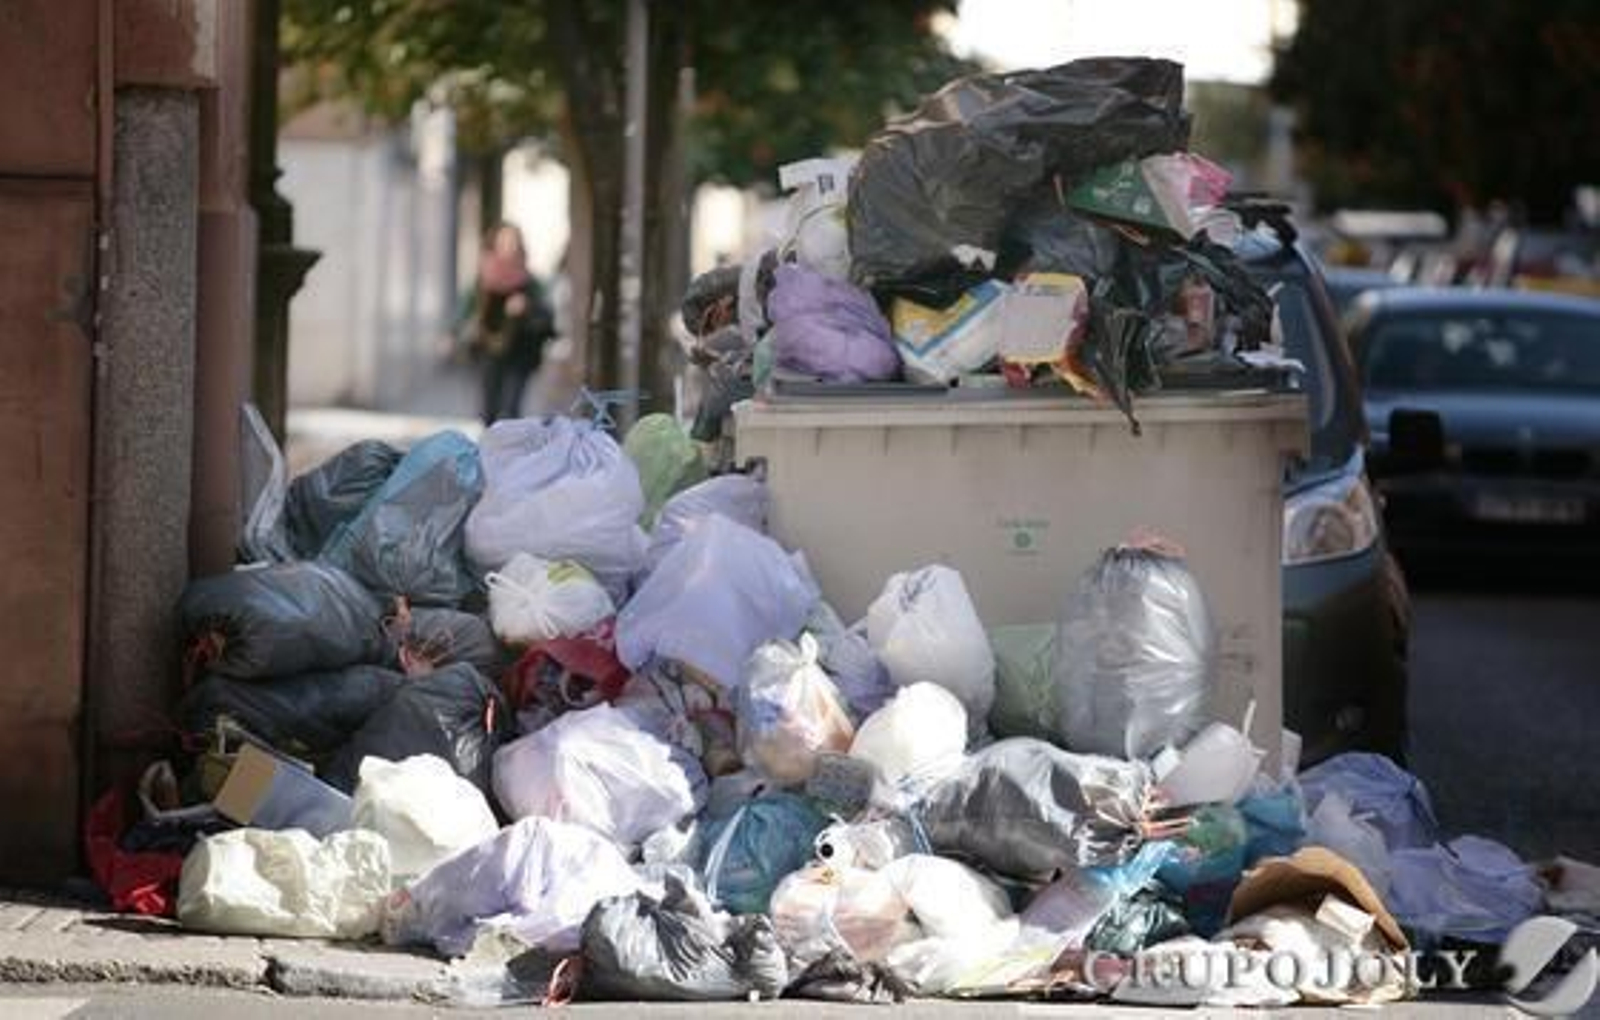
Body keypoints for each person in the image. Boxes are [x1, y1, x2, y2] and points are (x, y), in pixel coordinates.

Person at [459, 222, 555, 424]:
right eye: (503, 241)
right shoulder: (484, 276)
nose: (508, 246)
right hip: (489, 349)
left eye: (512, 242)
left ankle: (510, 450)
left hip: (521, 351)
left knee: (512, 407)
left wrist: (525, 307)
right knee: (489, 408)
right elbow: (467, 304)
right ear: (494, 243)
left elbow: (546, 313)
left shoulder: (529, 281)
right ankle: (491, 448)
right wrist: (452, 331)